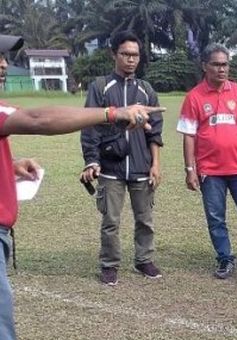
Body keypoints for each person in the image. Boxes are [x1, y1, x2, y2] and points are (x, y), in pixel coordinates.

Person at [0, 34, 163, 340]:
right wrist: (113, 113)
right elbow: (35, 116)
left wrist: (10, 165)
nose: (2, 64)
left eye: (3, 57)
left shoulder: (146, 87)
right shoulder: (102, 91)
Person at [177, 43, 237, 279]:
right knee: (216, 218)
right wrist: (190, 169)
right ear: (205, 66)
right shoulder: (194, 97)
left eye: (225, 64)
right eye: (216, 64)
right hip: (210, 171)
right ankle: (224, 258)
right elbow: (189, 136)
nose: (222, 69)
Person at [80, 30, 164, 286]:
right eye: (125, 54)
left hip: (141, 166)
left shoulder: (146, 90)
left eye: (135, 55)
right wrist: (92, 161)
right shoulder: (100, 87)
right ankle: (109, 264)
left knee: (145, 220)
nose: (131, 59)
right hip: (110, 168)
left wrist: (156, 164)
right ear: (113, 54)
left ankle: (144, 260)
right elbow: (89, 127)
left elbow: (156, 132)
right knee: (110, 222)